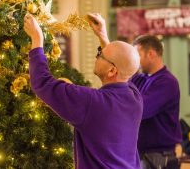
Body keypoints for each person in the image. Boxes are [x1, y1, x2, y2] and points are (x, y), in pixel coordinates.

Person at [24, 13, 143, 169]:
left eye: (100, 54)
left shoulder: (92, 102)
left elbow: (42, 82)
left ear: (112, 71)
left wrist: (37, 39)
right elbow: (121, 63)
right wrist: (102, 35)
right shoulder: (135, 96)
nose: (97, 55)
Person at [131, 35, 182, 169]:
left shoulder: (167, 82)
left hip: (158, 156)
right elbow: (119, 93)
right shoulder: (139, 79)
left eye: (138, 55)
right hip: (141, 153)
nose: (135, 60)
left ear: (151, 54)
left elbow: (141, 110)